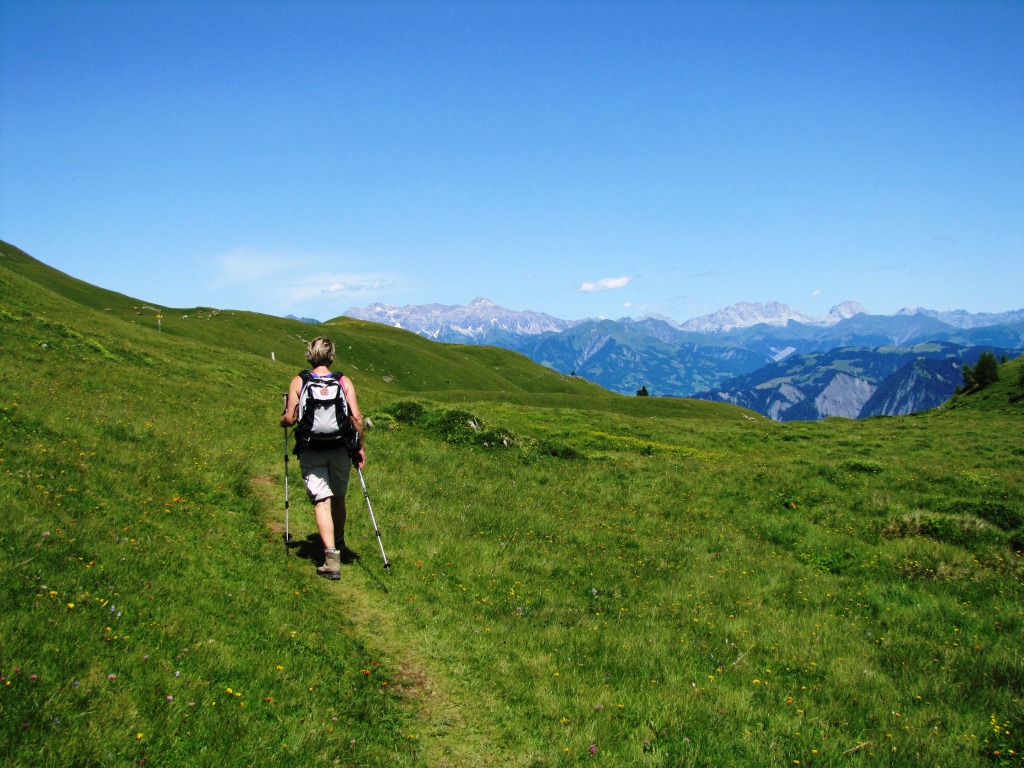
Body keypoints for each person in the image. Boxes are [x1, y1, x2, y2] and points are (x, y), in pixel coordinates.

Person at [280, 336, 365, 579]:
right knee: (338, 498)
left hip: (312, 448)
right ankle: (339, 543)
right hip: (339, 448)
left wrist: (282, 420)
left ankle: (330, 559)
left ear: (310, 354)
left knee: (321, 500)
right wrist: (359, 447)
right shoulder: (343, 381)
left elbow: (291, 418)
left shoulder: (300, 381)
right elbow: (356, 418)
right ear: (331, 355)